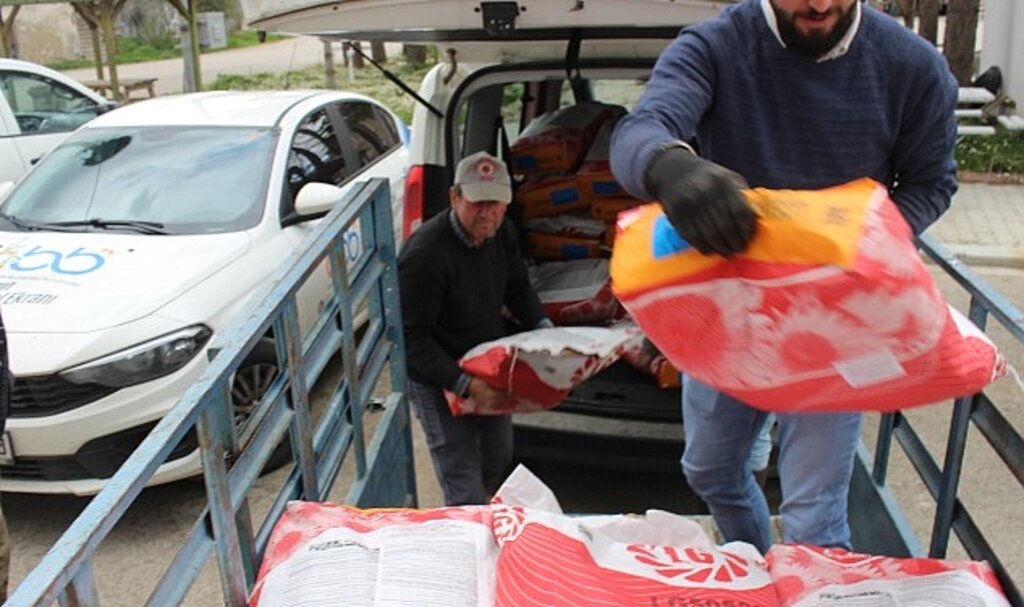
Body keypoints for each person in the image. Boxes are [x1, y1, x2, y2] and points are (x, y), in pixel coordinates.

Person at [610, 0, 958, 553]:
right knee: (709, 470)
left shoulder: (911, 65)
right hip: (732, 304)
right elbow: (642, 128)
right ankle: (761, 561)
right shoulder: (716, 45)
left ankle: (809, 575)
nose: (819, 5)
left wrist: (865, 243)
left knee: (815, 519)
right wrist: (668, 165)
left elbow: (932, 182)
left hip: (840, 314)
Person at [398, 151, 551, 506]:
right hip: (435, 371)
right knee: (461, 473)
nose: (487, 212)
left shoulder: (503, 232)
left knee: (497, 457)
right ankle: (467, 527)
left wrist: (546, 331)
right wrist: (465, 385)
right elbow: (412, 340)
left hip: (486, 360)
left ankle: (479, 507)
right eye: (477, 202)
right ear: (455, 197)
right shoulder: (423, 256)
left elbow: (518, 288)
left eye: (495, 203)